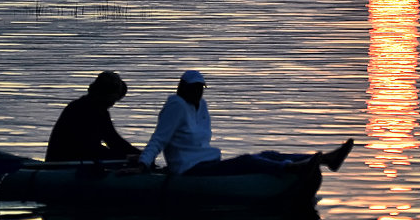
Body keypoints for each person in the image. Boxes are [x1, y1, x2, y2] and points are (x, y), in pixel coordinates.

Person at [134, 70, 353, 176]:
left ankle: (324, 159)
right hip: (189, 170)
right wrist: (144, 163)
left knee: (268, 154)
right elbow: (159, 139)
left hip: (208, 163)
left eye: (201, 88)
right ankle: (289, 169)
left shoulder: (201, 106)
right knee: (248, 160)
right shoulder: (176, 105)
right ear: (182, 88)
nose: (198, 92)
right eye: (194, 88)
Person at [45, 71, 140, 163]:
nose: (113, 103)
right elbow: (89, 147)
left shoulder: (99, 110)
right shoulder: (81, 109)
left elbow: (114, 140)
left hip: (81, 159)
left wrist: (142, 155)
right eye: (114, 98)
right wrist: (124, 156)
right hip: (64, 162)